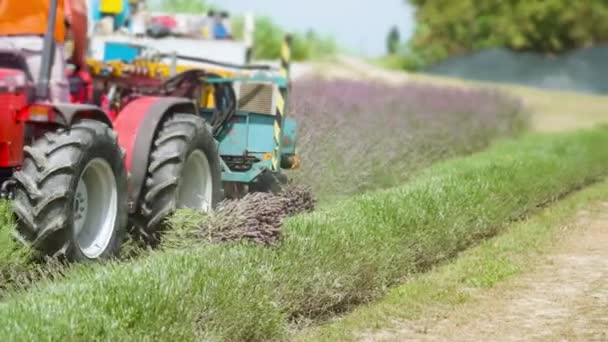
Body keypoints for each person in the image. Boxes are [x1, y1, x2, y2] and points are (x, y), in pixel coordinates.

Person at [0, 0, 89, 102]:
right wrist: (79, 56)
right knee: (56, 111)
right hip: (41, 46)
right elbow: (78, 9)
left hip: (2, 43)